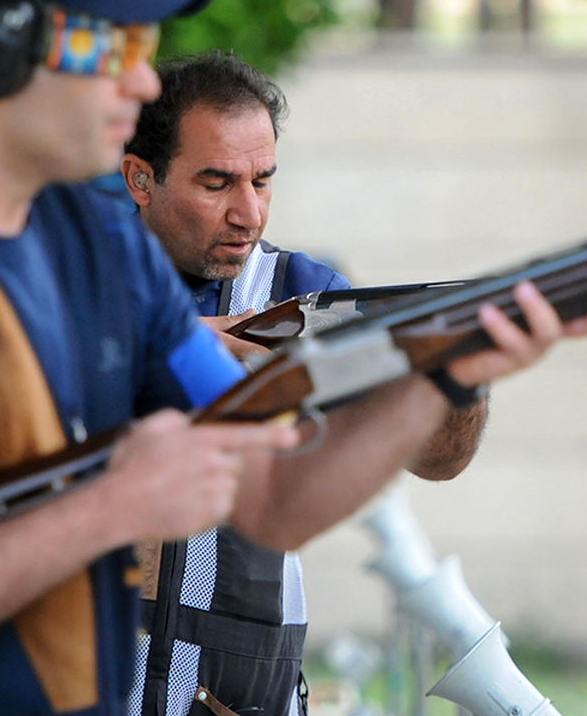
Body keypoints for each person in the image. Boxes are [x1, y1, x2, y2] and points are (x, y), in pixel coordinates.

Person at [0, 0, 587, 714]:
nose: (141, 78)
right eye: (110, 44)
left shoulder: (102, 248)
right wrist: (112, 504)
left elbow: (272, 498)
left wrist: (445, 372)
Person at [119, 51, 497, 716]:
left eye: (262, 181)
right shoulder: (72, 280)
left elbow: (440, 461)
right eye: (216, 184)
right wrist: (206, 341)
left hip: (237, 696)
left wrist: (455, 378)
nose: (249, 213)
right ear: (140, 178)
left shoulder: (304, 295)